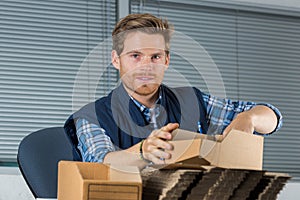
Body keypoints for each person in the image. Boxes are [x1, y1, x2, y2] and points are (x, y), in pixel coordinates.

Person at [64, 13, 282, 169]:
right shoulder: (91, 116)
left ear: (167, 60)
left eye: (155, 57)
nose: (146, 66)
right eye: (135, 56)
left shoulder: (192, 100)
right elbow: (101, 162)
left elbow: (273, 117)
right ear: (115, 59)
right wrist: (144, 151)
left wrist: (249, 117)